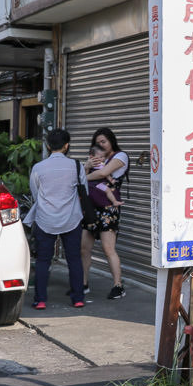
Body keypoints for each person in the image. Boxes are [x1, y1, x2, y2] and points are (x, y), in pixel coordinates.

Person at [26, 128, 87, 309]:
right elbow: (85, 192)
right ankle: (78, 298)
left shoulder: (38, 168)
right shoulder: (76, 166)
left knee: (43, 261)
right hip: (72, 219)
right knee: (74, 259)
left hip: (45, 219)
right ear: (67, 145)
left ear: (48, 145)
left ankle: (41, 300)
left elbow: (36, 193)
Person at [80, 127, 129, 300]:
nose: (101, 145)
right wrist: (85, 167)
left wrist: (82, 176)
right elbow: (86, 176)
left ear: (111, 141)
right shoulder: (95, 157)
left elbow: (102, 173)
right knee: (84, 248)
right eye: (98, 142)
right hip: (91, 206)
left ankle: (118, 286)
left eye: (104, 141)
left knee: (109, 249)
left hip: (108, 207)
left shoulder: (120, 157)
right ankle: (83, 284)